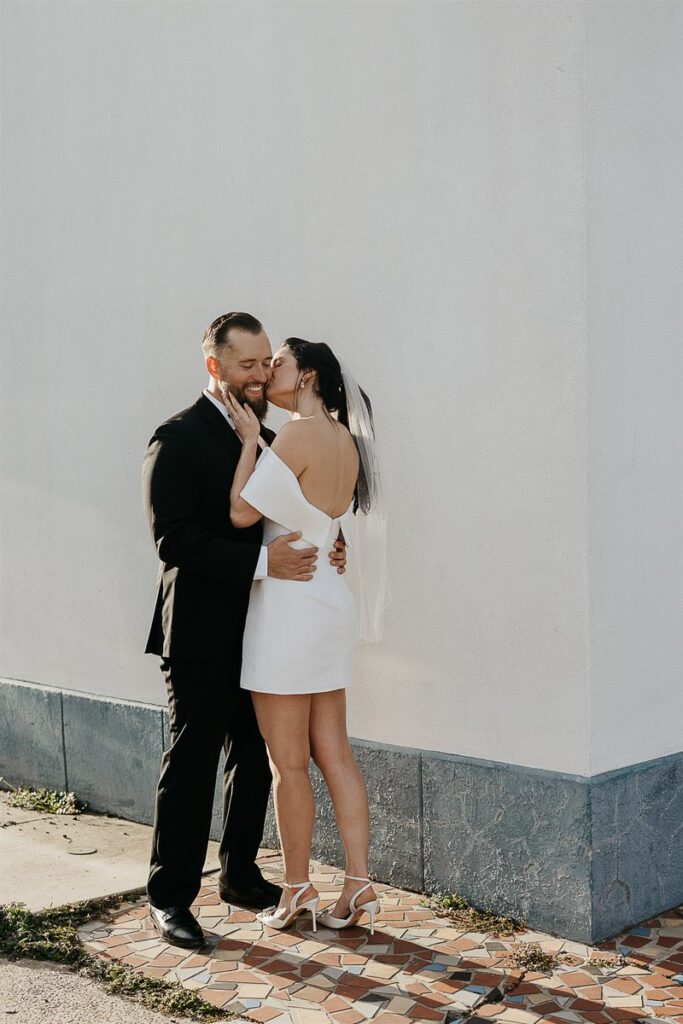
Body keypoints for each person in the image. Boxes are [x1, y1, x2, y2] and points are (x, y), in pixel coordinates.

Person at [141, 313, 347, 949]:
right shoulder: (175, 437)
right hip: (200, 632)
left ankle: (238, 872)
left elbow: (296, 510)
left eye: (266, 363)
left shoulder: (272, 432)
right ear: (215, 368)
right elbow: (172, 539)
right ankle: (169, 897)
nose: (260, 376)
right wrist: (265, 563)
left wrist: (330, 546)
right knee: (193, 763)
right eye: (246, 366)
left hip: (266, 629)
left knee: (257, 761)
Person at [227, 337, 385, 934]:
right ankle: (358, 882)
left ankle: (296, 889)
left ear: (308, 374)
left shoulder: (294, 432)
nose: (270, 371)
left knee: (287, 764)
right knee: (336, 753)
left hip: (290, 608)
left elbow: (243, 513)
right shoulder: (345, 439)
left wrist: (250, 443)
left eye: (280, 363)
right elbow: (325, 522)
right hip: (327, 603)